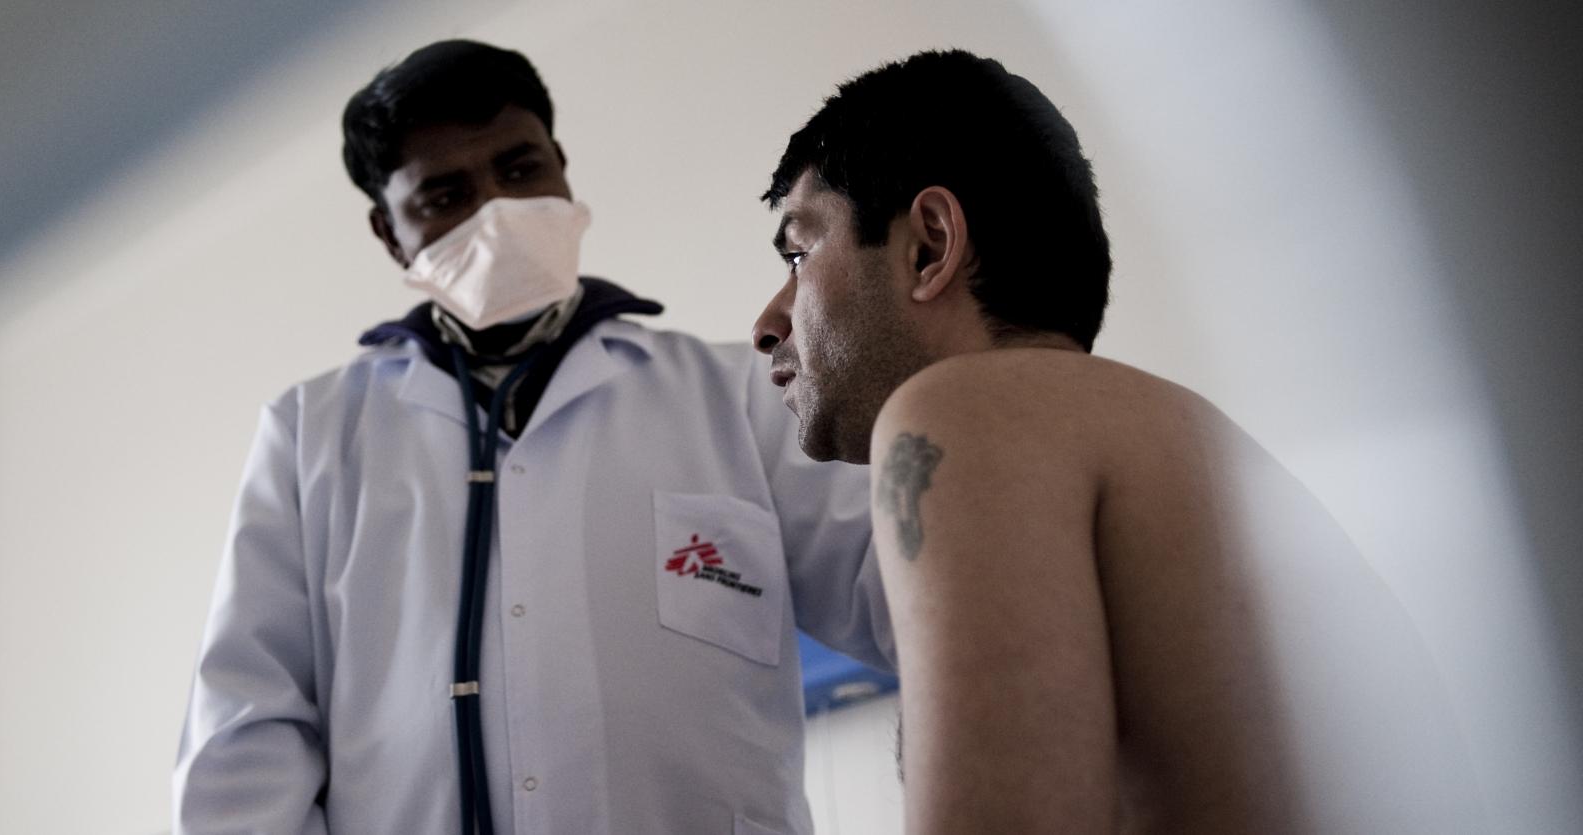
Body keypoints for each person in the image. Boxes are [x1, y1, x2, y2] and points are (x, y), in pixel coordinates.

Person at [751, 50, 1481, 833]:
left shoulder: (961, 411)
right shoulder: (1189, 441)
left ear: (929, 245)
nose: (767, 324)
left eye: (799, 253)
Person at [173, 40, 892, 835]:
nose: (497, 212)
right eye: (445, 195)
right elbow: (245, 735)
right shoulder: (311, 437)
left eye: (520, 170)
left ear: (562, 167)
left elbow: (910, 599)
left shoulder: (739, 397)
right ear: (388, 232)